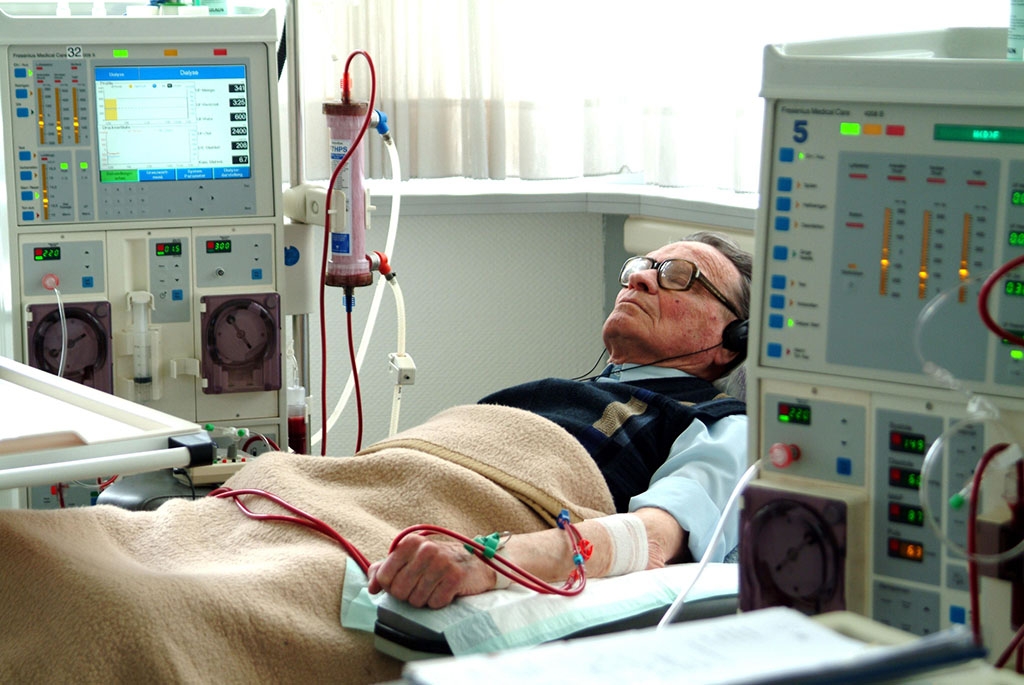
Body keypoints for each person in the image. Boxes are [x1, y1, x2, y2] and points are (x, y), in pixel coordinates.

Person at [367, 230, 752, 609]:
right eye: (641, 267)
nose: (640, 278)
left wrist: (487, 560)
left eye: (678, 276)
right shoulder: (557, 393)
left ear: (733, 339)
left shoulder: (722, 425)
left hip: (435, 534)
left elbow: (649, 540)